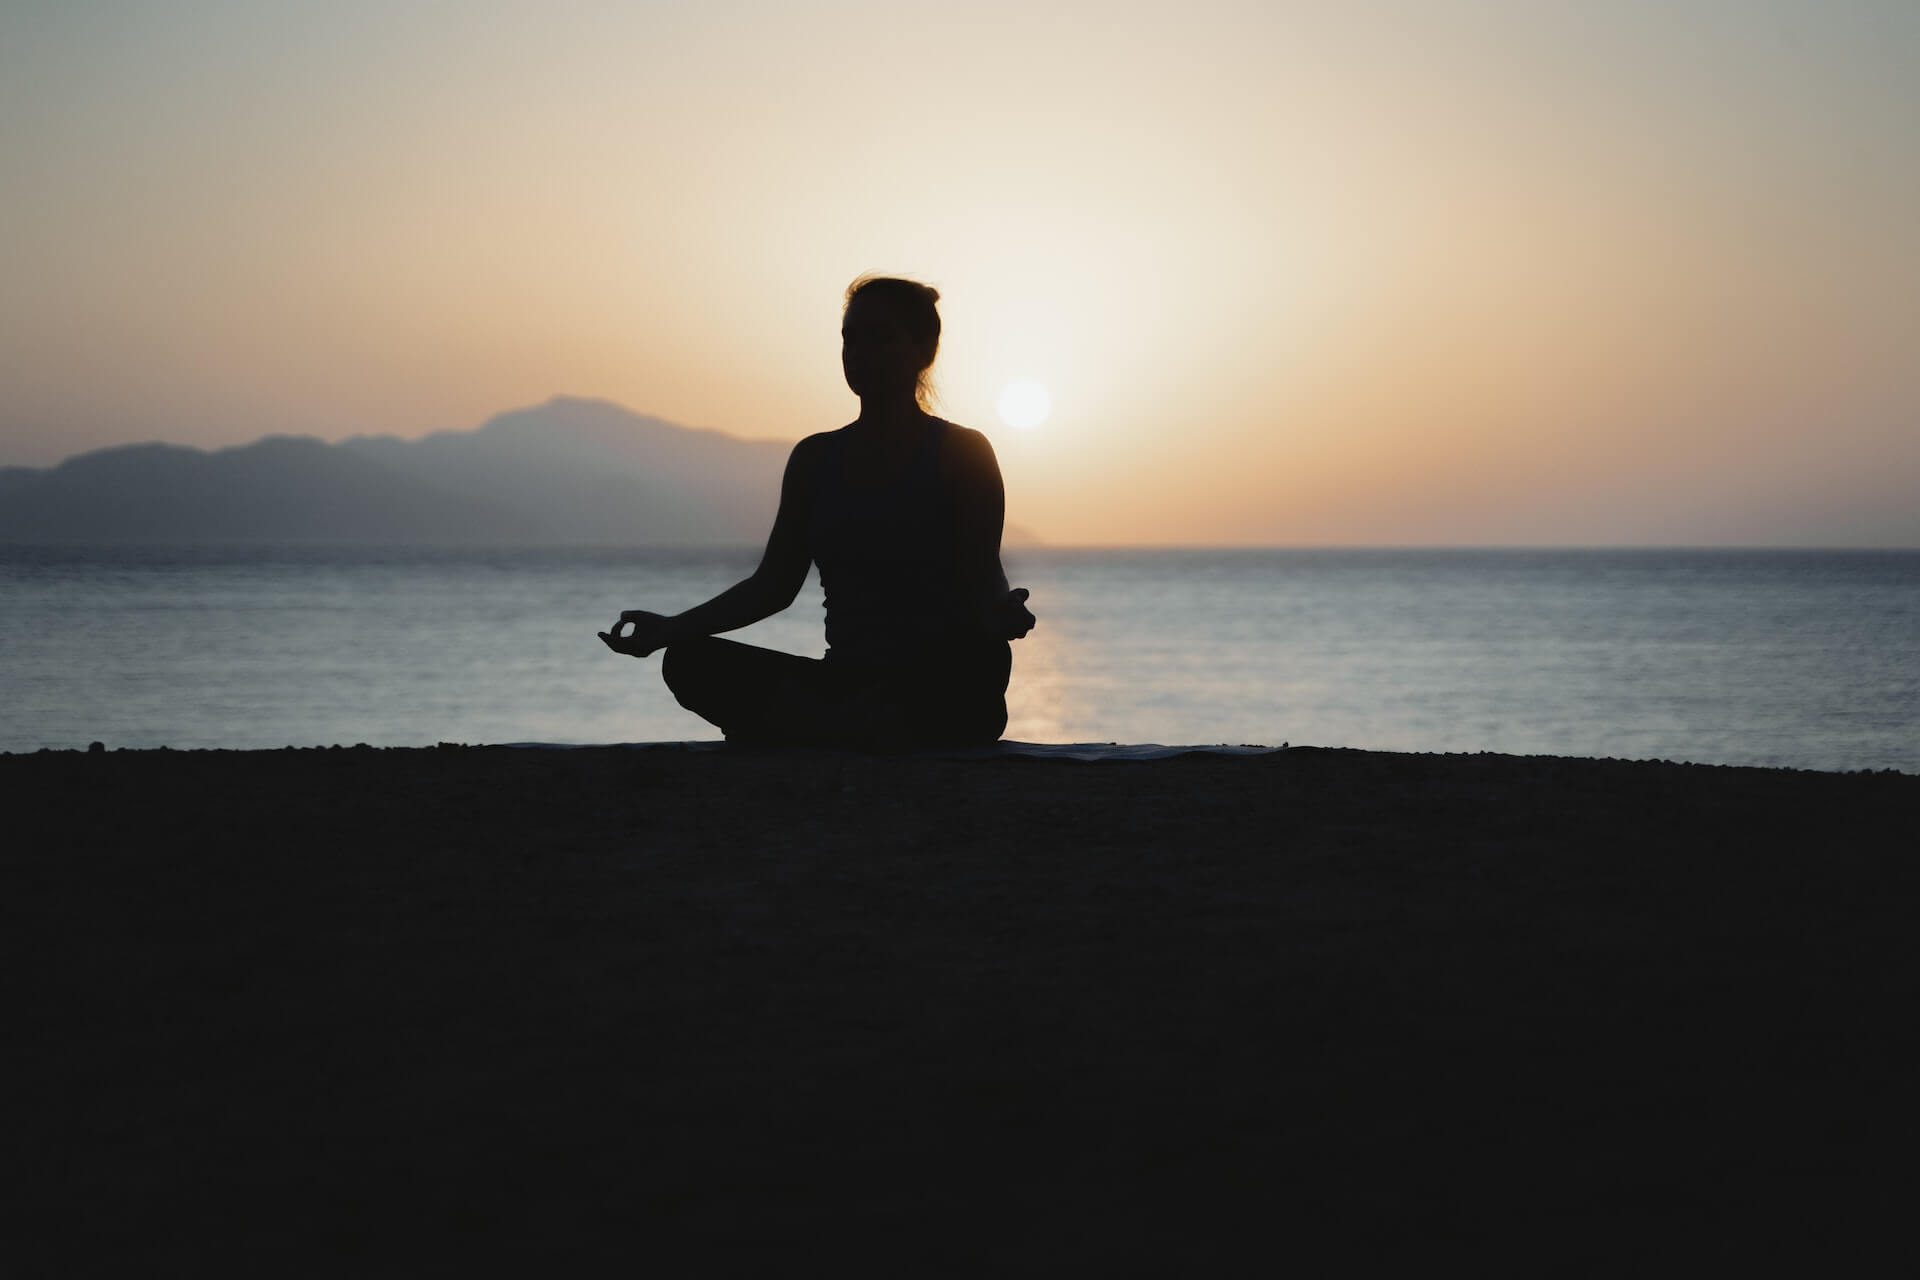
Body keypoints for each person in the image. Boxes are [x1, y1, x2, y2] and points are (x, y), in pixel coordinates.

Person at [599, 276, 1036, 749]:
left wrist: (1003, 612)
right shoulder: (816, 460)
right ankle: (854, 723)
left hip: (935, 685)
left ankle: (833, 725)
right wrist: (668, 629)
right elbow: (772, 587)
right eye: (850, 338)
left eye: (879, 337)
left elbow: (983, 575)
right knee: (688, 662)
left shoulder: (963, 452)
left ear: (923, 351)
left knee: (978, 664)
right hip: (847, 682)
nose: (859, 352)